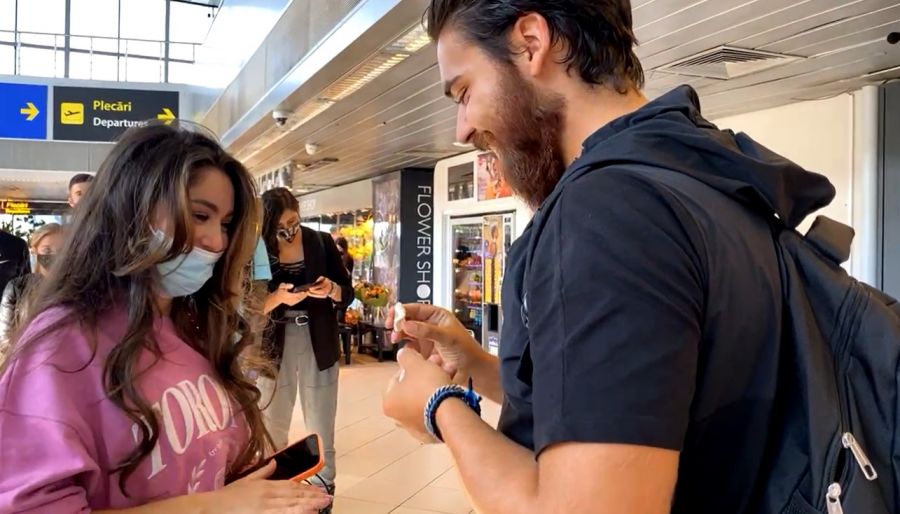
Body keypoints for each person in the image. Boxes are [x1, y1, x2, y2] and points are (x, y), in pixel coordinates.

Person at [383, 1, 839, 514]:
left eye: (464, 91)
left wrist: (439, 407)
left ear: (531, 42)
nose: (462, 129)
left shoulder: (605, 216)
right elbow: (636, 405)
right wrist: (477, 366)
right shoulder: (699, 172)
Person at [0, 123, 331, 513]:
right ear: (131, 211)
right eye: (199, 215)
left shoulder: (194, 326)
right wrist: (216, 507)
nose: (217, 241)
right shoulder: (62, 345)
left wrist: (246, 493)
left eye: (225, 224)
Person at [257, 188, 353, 510]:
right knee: (273, 423)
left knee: (321, 420)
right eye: (281, 227)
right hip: (273, 342)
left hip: (318, 339)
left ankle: (323, 493)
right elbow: (248, 305)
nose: (290, 231)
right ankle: (274, 494)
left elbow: (347, 292)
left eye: (294, 223)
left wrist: (332, 290)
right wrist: (278, 298)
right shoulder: (259, 248)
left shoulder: (320, 242)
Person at [0, 223, 64, 348]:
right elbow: (4, 338)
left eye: (61, 250)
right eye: (47, 250)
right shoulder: (17, 288)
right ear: (35, 251)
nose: (54, 255)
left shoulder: (79, 289)